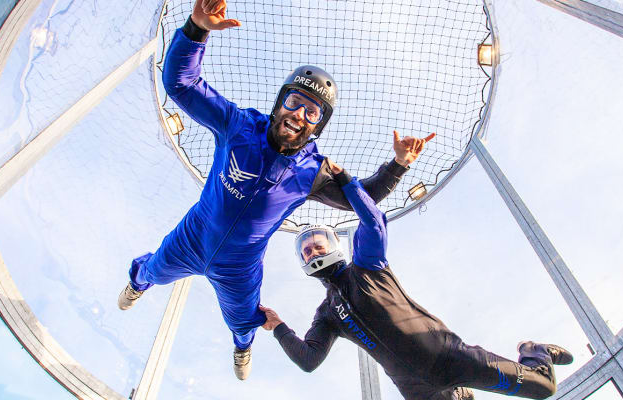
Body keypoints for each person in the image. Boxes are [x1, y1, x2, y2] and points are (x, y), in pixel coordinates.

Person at [117, 0, 435, 381]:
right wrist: (195, 29)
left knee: (243, 318)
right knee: (151, 269)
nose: (299, 115)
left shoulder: (313, 172)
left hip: (240, 266)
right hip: (192, 237)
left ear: (317, 127)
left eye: (312, 113)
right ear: (279, 102)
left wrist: (397, 165)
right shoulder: (238, 126)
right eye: (295, 102)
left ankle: (242, 345)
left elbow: (367, 196)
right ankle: (138, 284)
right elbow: (181, 84)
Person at [259, 162, 574, 400]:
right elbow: (309, 360)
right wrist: (278, 327)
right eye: (307, 249)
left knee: (543, 387)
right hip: (414, 388)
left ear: (334, 246)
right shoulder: (326, 314)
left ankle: (535, 350)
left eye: (318, 243)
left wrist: (346, 181)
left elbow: (374, 220)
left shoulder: (366, 267)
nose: (313, 249)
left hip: (450, 357)